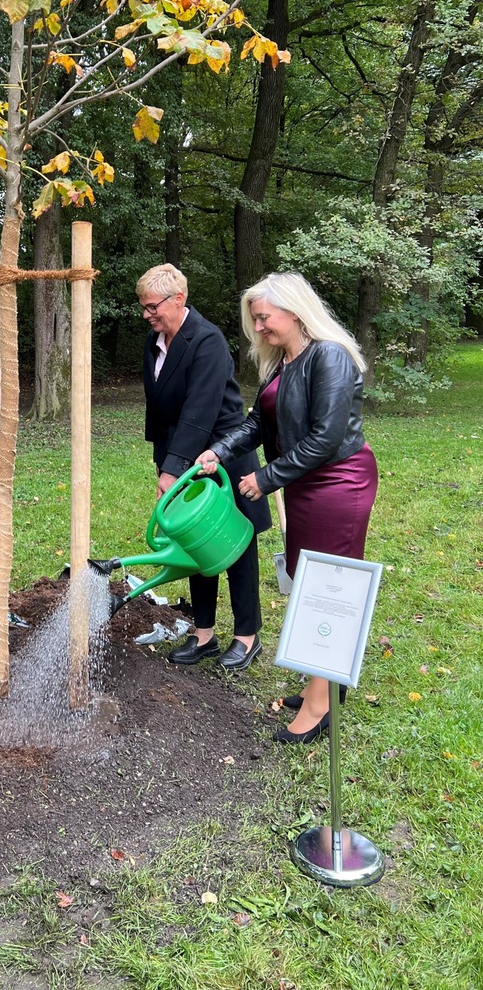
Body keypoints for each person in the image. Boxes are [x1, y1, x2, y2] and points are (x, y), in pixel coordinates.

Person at [197, 272, 378, 743]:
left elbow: (326, 438)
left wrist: (266, 478)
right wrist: (220, 449)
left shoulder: (329, 356)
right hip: (303, 482)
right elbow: (259, 423)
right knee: (305, 577)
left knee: (326, 590)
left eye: (264, 317)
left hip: (337, 482)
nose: (258, 327)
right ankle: (325, 683)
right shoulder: (283, 362)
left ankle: (321, 706)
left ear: (294, 310)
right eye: (254, 319)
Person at [138, 264, 271, 672]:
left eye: (152, 307)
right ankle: (204, 634)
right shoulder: (154, 342)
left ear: (178, 298)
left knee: (236, 542)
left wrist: (172, 470)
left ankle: (247, 637)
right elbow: (161, 408)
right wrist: (165, 460)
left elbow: (200, 410)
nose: (147, 315)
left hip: (223, 453)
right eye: (143, 308)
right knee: (196, 543)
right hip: (179, 455)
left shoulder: (207, 340)